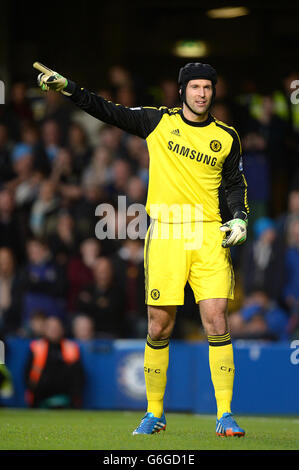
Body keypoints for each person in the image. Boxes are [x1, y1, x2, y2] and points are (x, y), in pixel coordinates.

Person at [34, 61, 249, 437]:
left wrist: (241, 218)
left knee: (216, 319)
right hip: (165, 233)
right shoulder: (157, 120)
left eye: (207, 88)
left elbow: (234, 184)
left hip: (208, 234)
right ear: (182, 91)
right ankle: (154, 413)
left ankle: (225, 415)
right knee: (158, 325)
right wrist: (69, 87)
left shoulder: (227, 136)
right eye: (195, 87)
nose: (201, 93)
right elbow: (108, 110)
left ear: (213, 92)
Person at [25, 316, 84, 408]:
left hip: (65, 397)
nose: (54, 331)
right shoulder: (36, 347)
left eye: (56, 328)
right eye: (51, 328)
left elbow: (78, 375)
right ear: (45, 330)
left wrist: (74, 395)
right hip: (40, 397)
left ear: (62, 329)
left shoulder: (71, 348)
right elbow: (27, 374)